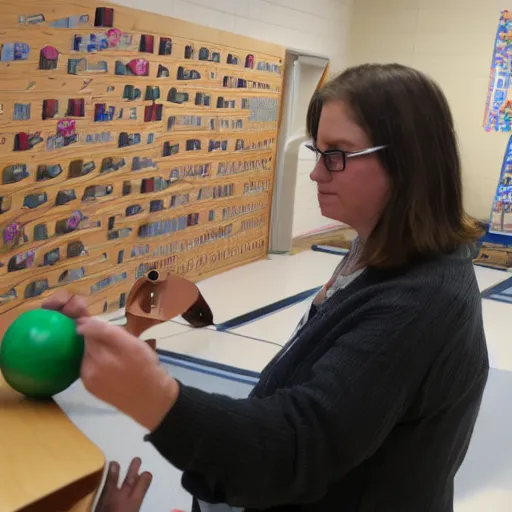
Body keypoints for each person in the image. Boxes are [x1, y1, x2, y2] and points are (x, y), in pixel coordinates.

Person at [43, 63, 489, 512]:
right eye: (319, 152)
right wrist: (98, 345)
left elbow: (298, 446)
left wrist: (151, 395)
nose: (316, 174)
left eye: (336, 154)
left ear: (408, 160)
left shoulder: (422, 300)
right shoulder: (377, 250)